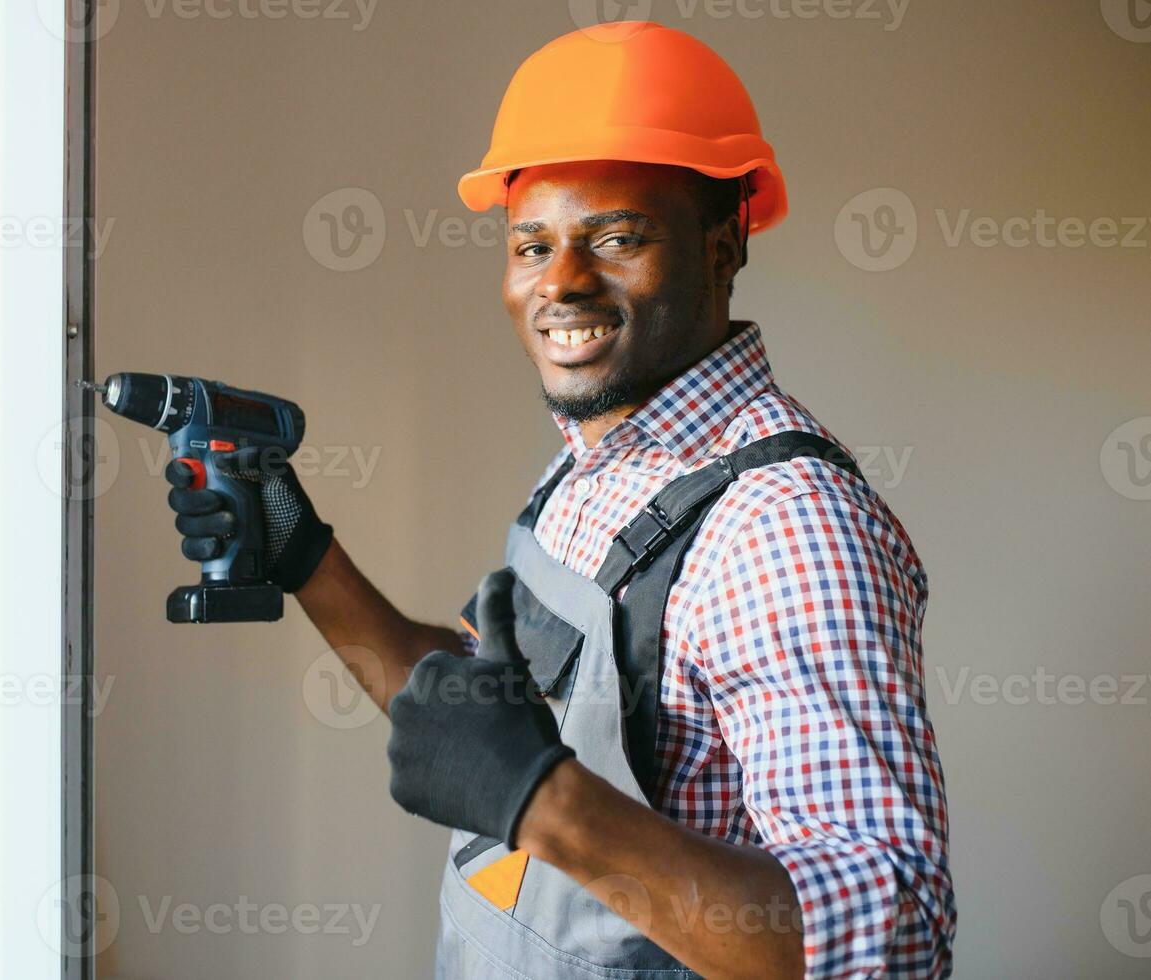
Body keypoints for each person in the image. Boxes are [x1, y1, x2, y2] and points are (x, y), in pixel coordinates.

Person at [166, 21, 954, 980]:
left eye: (618, 237)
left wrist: (544, 804)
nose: (562, 282)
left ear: (725, 245)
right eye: (532, 244)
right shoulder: (589, 463)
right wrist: (305, 558)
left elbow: (895, 935)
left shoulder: (783, 522)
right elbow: (479, 721)